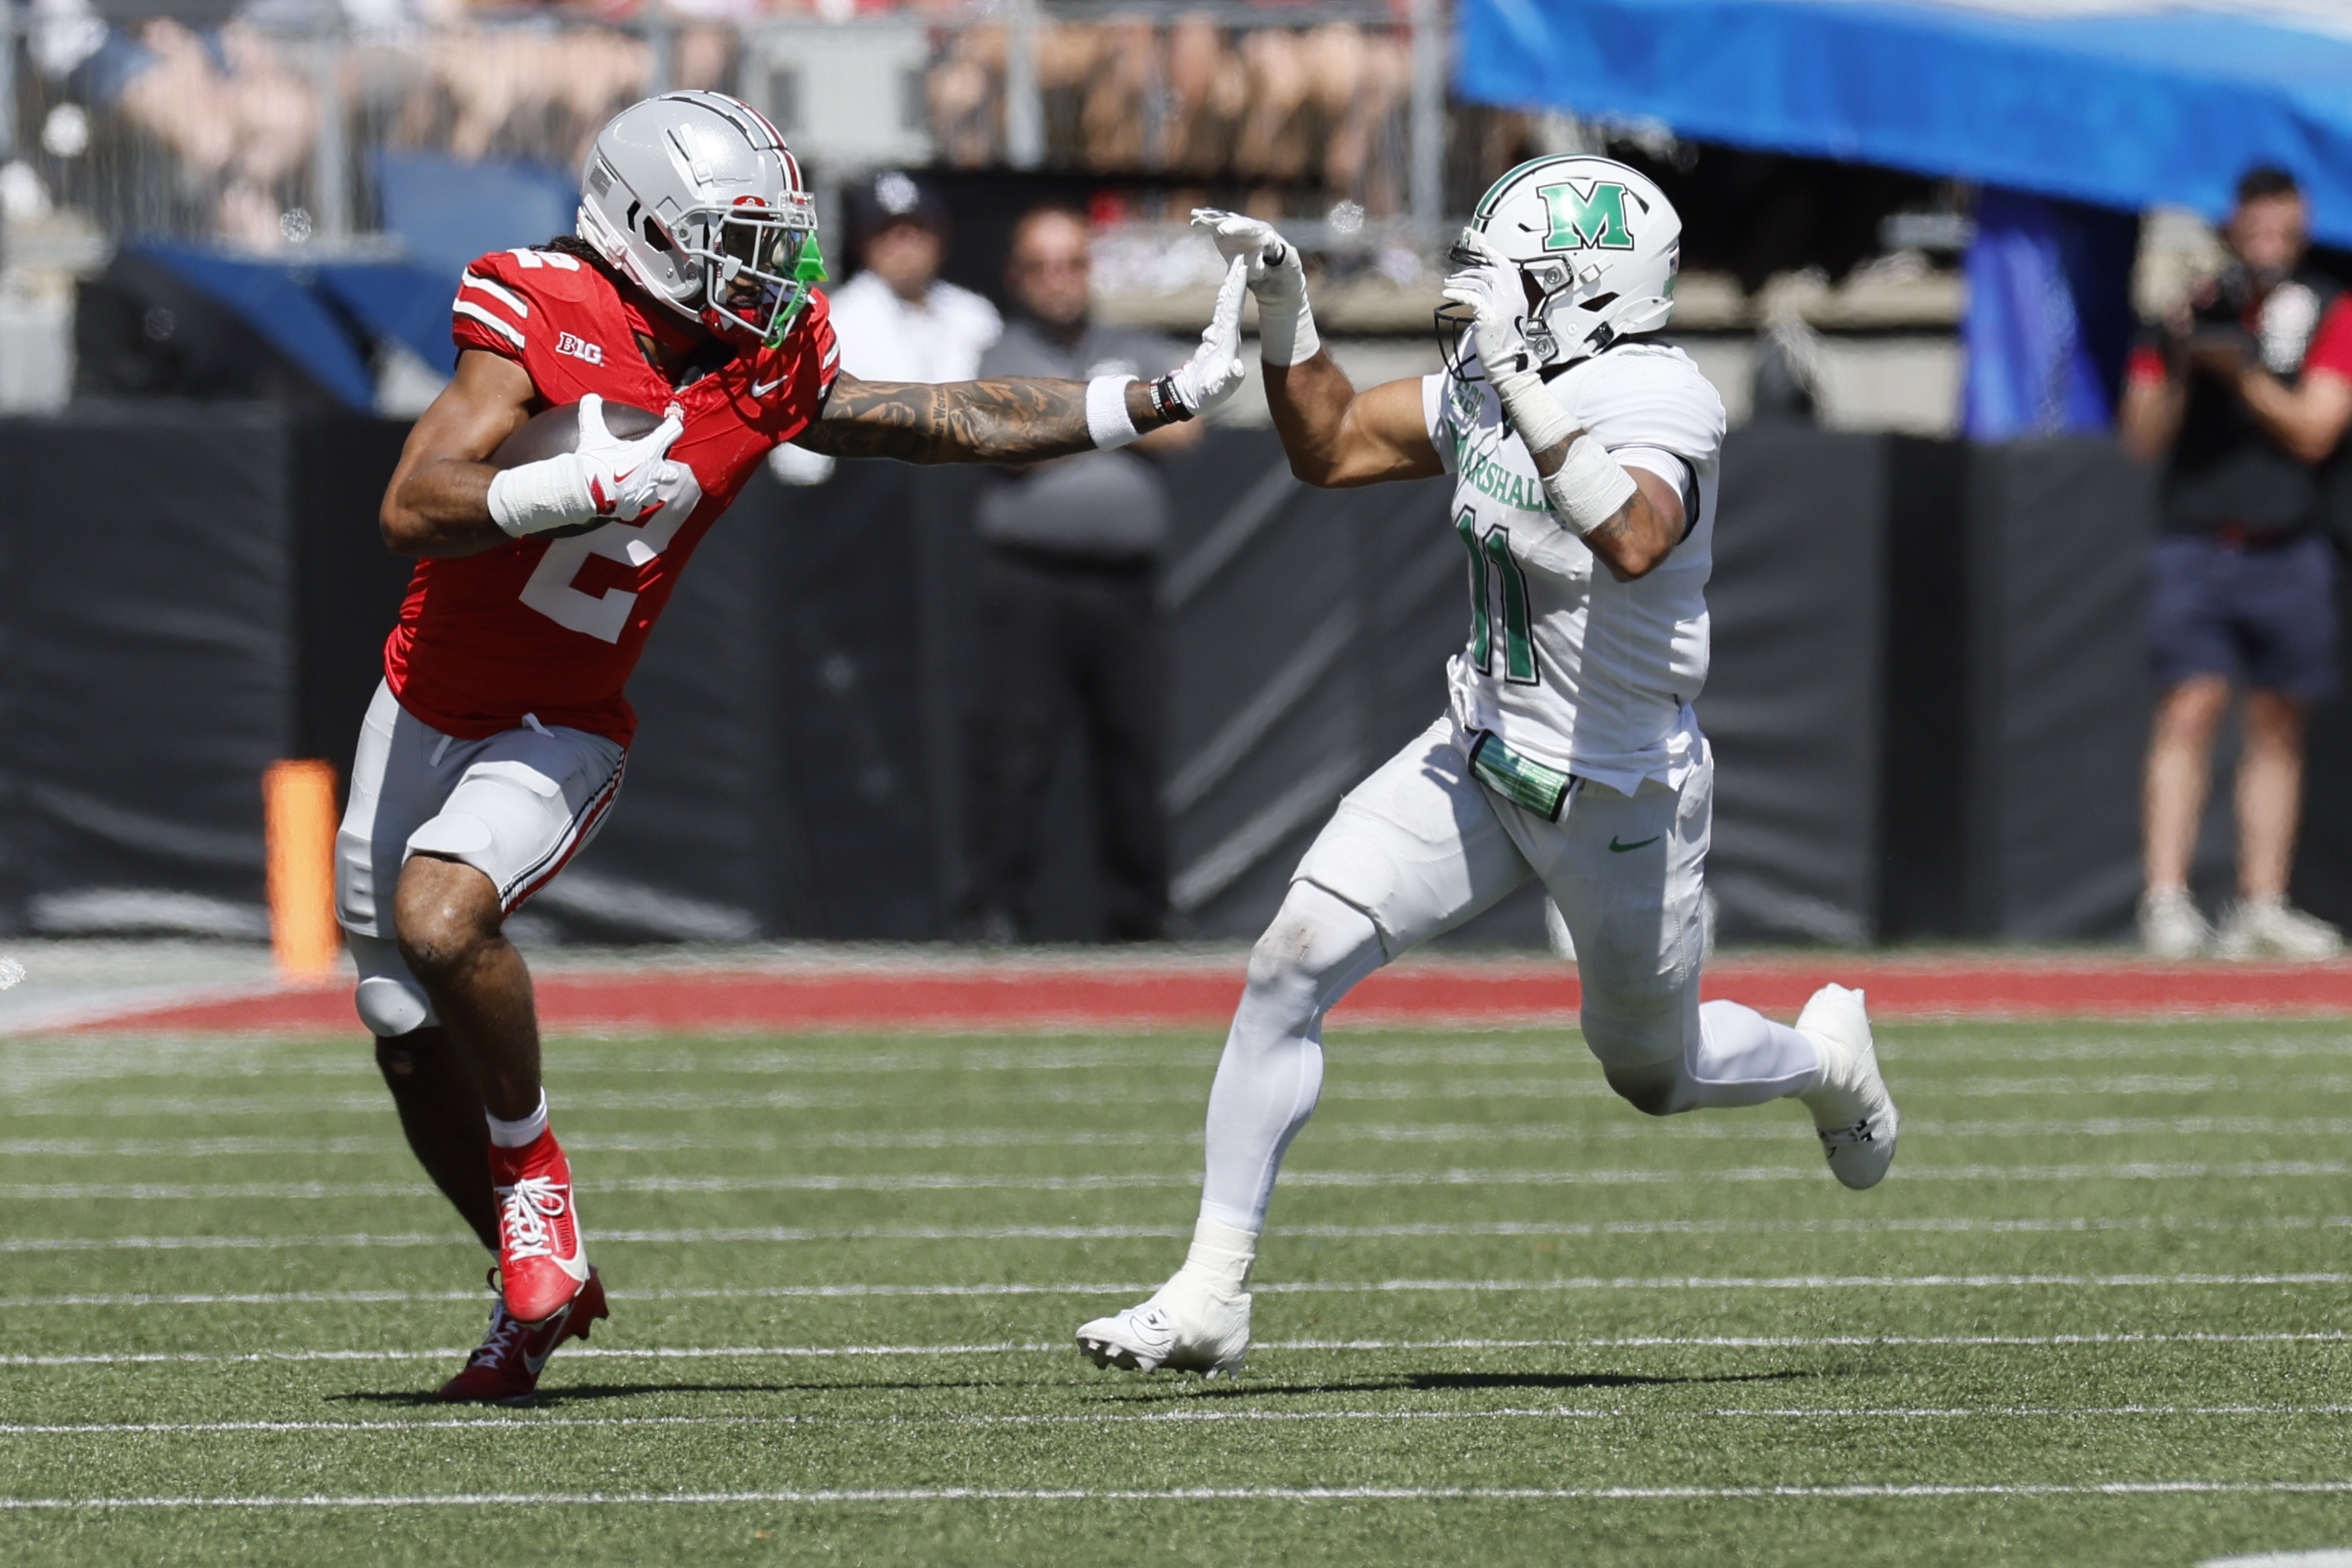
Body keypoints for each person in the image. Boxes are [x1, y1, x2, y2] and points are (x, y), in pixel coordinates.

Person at [341, 90, 1249, 1402]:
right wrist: (568, 489)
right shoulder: (541, 307)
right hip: (420, 699)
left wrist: (1154, 395)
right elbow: (410, 506)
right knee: (399, 1026)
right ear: (646, 231)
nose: (771, 274)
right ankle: (531, 1279)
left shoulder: (757, 362)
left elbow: (949, 418)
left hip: (564, 717)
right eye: (738, 241)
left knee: (441, 919)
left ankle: (535, 1181)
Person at [1074, 159, 1899, 1377]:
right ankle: (1209, 1293)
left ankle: (1825, 1062)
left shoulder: (1658, 392)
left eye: (1512, 273)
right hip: (1476, 749)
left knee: (1654, 1076)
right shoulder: (1488, 373)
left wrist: (1516, 381)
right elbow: (1335, 447)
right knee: (1285, 966)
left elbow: (1632, 535)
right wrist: (1289, 312)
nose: (1480, 292)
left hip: (1615, 787)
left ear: (1588, 288)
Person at [2123, 167, 2352, 960]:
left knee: (2277, 723)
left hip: (2289, 543)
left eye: (2281, 227)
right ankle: (2167, 899)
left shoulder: (2326, 305)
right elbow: (2142, 437)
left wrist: (2245, 376)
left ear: (2300, 226)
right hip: (2195, 539)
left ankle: (2262, 901)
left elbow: (2319, 427)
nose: (2266, 242)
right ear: (2234, 225)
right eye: (2254, 225)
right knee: (2189, 707)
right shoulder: (2190, 310)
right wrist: (2189, 358)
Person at [957, 205, 1202, 942]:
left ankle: (1142, 911)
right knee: (1016, 750)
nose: (1061, 281)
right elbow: (1007, 440)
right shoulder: (1003, 351)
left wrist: (1069, 414)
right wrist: (1121, 415)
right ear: (1017, 276)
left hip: (1124, 584)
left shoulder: (1131, 341)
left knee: (1133, 750)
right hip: (1031, 581)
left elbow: (1188, 424)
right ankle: (998, 908)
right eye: (1044, 266)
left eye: (1074, 264)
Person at [767, 169, 1001, 486]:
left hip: (964, 491)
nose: (904, 245)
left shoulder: (976, 316)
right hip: (872, 496)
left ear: (941, 238)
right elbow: (797, 462)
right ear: (863, 243)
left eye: (917, 230)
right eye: (888, 233)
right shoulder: (833, 321)